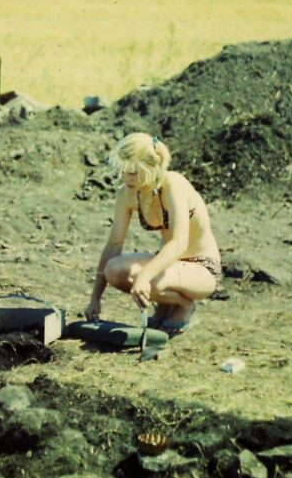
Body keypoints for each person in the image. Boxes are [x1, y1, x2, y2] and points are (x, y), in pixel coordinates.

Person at [84, 133, 222, 336]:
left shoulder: (172, 184)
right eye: (123, 171)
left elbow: (178, 243)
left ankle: (185, 305)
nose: (127, 178)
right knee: (113, 269)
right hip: (169, 266)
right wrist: (95, 298)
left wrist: (145, 277)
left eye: (134, 172)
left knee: (140, 276)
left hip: (201, 268)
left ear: (152, 168)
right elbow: (113, 246)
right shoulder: (127, 194)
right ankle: (169, 304)